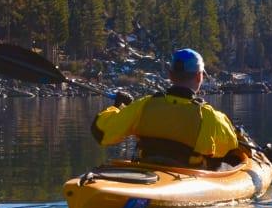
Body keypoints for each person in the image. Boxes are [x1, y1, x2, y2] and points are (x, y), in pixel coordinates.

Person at [91, 48, 239, 166]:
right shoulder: (209, 116)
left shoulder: (145, 104)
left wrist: (117, 107)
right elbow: (231, 148)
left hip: (146, 169)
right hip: (185, 178)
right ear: (199, 77)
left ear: (170, 75)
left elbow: (102, 132)